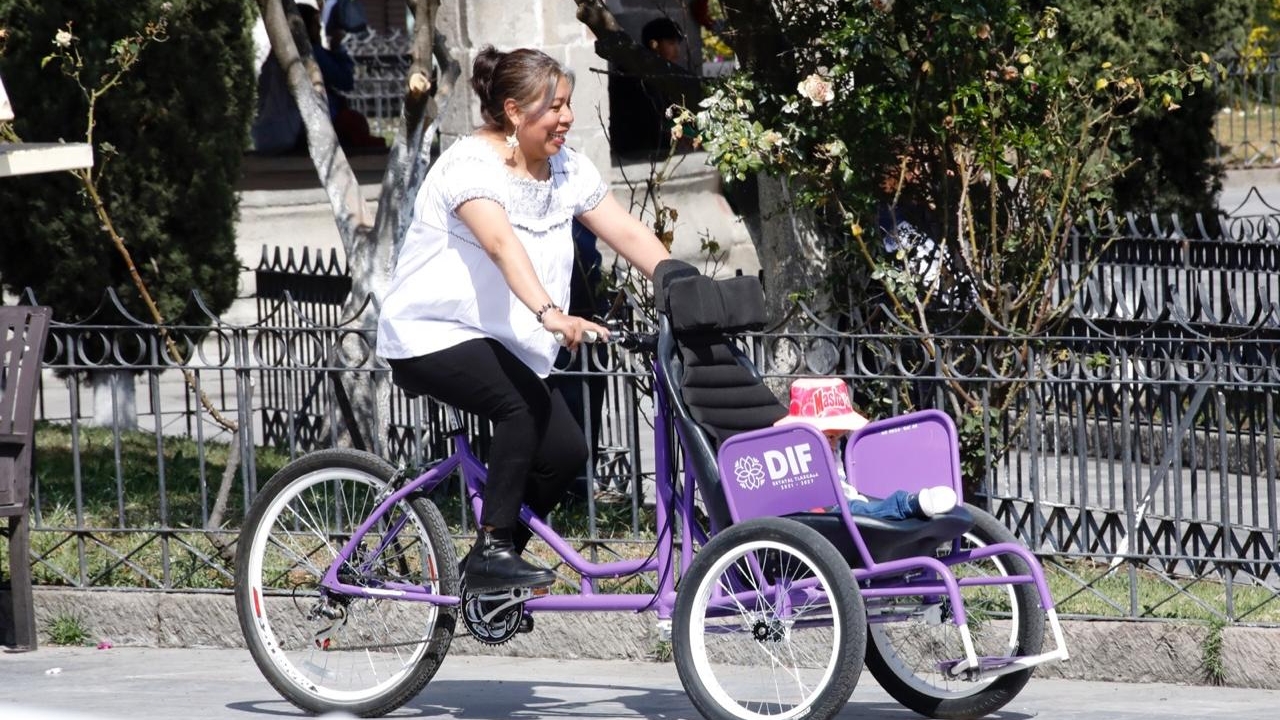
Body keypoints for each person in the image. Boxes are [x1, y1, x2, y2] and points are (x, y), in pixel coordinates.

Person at [377, 46, 671, 594]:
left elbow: (625, 232)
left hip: (504, 343)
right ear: (514, 112)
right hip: (430, 333)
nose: (566, 117)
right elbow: (499, 244)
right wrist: (551, 314)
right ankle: (491, 550)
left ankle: (492, 567)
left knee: (565, 453)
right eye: (553, 107)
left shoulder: (565, 168)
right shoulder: (469, 165)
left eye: (568, 104)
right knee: (520, 407)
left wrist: (683, 281)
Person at [774, 378, 958, 520]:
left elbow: (841, 483)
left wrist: (857, 498)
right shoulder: (795, 456)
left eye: (838, 437)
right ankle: (909, 504)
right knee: (864, 510)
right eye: (830, 437)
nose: (834, 444)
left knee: (864, 507)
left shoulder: (830, 450)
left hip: (843, 505)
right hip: (826, 514)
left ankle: (914, 505)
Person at [608, 17, 693, 157]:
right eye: (671, 43)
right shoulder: (635, 76)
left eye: (678, 43)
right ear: (654, 44)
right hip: (639, 152)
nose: (677, 50)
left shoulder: (666, 74)